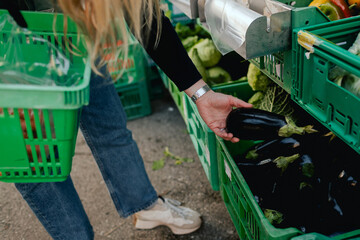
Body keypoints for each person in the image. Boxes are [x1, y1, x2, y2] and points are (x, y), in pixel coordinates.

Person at [2, 0, 252, 239]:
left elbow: (147, 18)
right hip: (10, 45)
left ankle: (144, 205)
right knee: (31, 158)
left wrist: (201, 94)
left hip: (72, 32)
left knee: (109, 126)